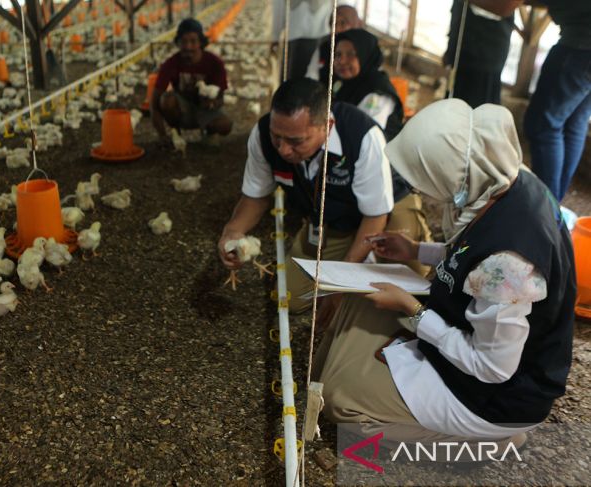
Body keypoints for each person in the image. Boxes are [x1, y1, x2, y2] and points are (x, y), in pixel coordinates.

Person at [313, 98, 576, 445]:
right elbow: (474, 253)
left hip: (498, 398)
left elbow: (492, 368)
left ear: (454, 172)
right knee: (357, 306)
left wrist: (413, 310)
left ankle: (488, 443)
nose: (421, 190)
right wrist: (417, 251)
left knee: (340, 400)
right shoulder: (506, 178)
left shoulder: (508, 262)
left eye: (425, 179)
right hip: (475, 344)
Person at [217, 78, 430, 316]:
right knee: (290, 299)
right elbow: (255, 197)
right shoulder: (262, 135)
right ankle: (352, 256)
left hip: (387, 208)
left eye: (296, 141)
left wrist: (341, 284)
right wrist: (233, 231)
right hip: (333, 219)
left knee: (414, 286)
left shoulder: (362, 135)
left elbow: (375, 215)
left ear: (327, 126)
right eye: (277, 137)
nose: (283, 149)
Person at [469, 0, 591, 201]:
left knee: (543, 125)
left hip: (580, 45)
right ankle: (554, 205)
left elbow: (505, 5)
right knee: (573, 123)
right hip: (584, 42)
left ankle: (545, 208)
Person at [150, 18, 233, 146]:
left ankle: (208, 132)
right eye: (184, 41)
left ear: (200, 42)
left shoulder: (215, 63)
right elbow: (154, 104)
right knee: (166, 100)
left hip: (205, 110)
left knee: (225, 125)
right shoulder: (170, 64)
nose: (188, 46)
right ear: (178, 43)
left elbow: (220, 97)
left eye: (193, 41)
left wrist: (213, 103)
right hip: (183, 110)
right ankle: (175, 132)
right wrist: (162, 134)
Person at [314, 29, 404, 141]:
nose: (341, 61)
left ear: (365, 55)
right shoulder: (342, 82)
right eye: (338, 54)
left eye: (350, 54)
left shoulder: (377, 93)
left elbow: (366, 135)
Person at [443, 1, 514, 108]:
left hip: (486, 50)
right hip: (462, 43)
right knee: (455, 102)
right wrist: (450, 48)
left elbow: (508, 6)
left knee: (479, 109)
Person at [272, 0, 333, 79]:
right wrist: (275, 36)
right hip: (293, 35)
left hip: (321, 33)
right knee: (291, 77)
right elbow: (279, 8)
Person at [304, 0, 363, 80]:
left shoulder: (366, 52)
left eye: (343, 23)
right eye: (333, 24)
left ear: (355, 24)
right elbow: (311, 76)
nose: (336, 29)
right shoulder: (324, 48)